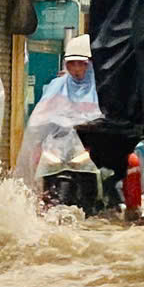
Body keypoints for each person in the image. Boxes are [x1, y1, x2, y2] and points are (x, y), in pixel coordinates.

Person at [23, 33, 106, 201]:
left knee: (128, 164)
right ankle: (38, 199)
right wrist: (38, 136)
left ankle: (126, 206)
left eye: (81, 64)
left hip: (91, 145)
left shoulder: (103, 87)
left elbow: (112, 115)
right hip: (59, 145)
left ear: (89, 65)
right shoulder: (56, 86)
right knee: (37, 159)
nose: (76, 69)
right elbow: (41, 116)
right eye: (71, 64)